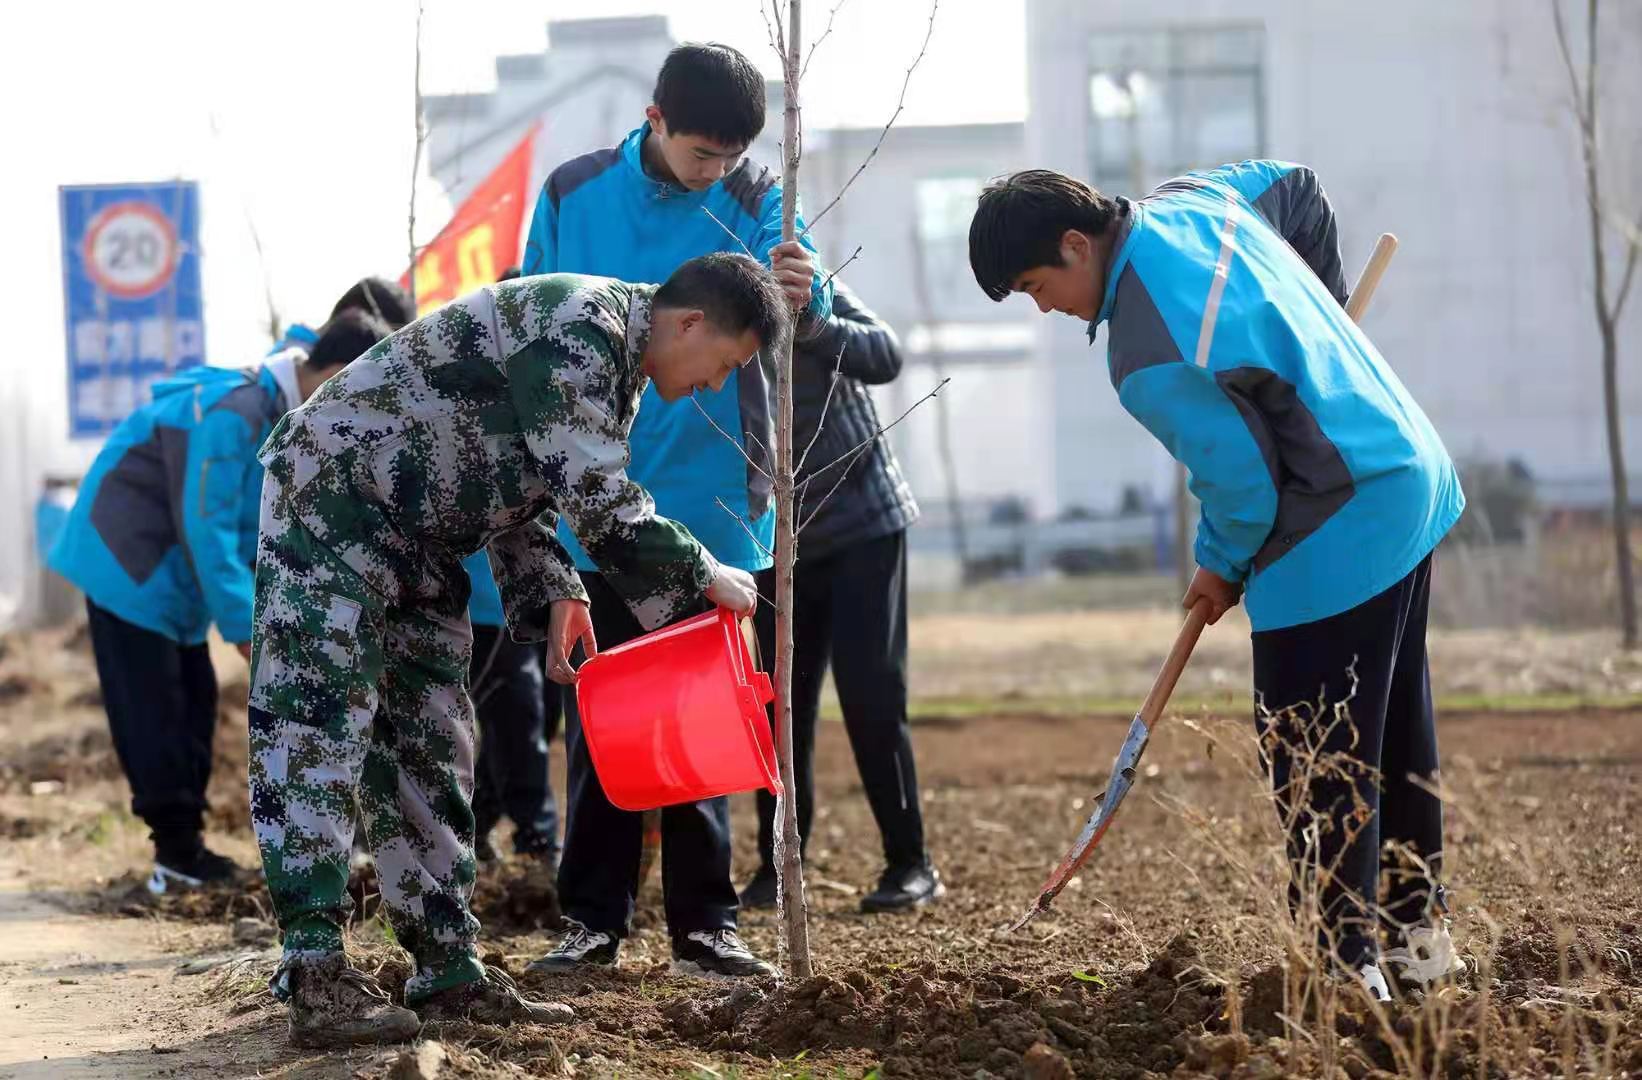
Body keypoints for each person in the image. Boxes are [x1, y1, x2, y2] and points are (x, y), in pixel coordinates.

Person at [247, 255, 786, 1048]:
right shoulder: (580, 325)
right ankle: (317, 971)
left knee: (434, 741)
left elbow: (516, 476)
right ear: (690, 324)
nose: (713, 387)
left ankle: (446, 968)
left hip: (421, 537)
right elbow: (601, 500)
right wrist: (707, 574)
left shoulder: (615, 364)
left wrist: (558, 586)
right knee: (318, 727)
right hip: (333, 505)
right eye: (724, 367)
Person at [967, 162, 1467, 1000]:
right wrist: (1324, 324)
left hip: (1334, 530)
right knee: (1393, 737)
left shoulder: (1143, 349)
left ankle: (1346, 976)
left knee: (1314, 759)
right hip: (1409, 476)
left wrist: (1221, 566)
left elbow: (1243, 485)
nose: (1042, 307)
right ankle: (1420, 946)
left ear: (1075, 243)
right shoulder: (1197, 199)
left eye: (1035, 285)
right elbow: (1300, 188)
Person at [521, 41, 831, 980]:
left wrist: (801, 296)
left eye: (733, 157)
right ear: (654, 119)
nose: (719, 173)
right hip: (595, 496)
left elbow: (800, 304)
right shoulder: (573, 192)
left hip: (713, 505)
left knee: (706, 716)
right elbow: (529, 320)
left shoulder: (756, 195)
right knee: (604, 713)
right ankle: (591, 920)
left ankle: (706, 924)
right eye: (704, 155)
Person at [49, 308, 394, 895]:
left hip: (173, 579)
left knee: (196, 702)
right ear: (336, 370)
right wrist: (243, 626)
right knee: (155, 710)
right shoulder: (235, 413)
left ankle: (187, 851)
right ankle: (176, 856)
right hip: (127, 567)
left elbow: (255, 529)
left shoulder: (276, 412)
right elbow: (207, 525)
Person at [742, 281, 939, 913]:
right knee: (778, 704)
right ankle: (778, 864)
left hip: (862, 523)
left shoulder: (804, 278)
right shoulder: (698, 296)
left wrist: (814, 322)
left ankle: (910, 864)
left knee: (872, 694)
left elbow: (884, 356)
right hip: (769, 538)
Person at [461, 266, 563, 867]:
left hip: (542, 592)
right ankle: (536, 840)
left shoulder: (562, 393)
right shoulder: (479, 393)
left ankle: (485, 826)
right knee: (515, 715)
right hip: (485, 597)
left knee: (533, 717)